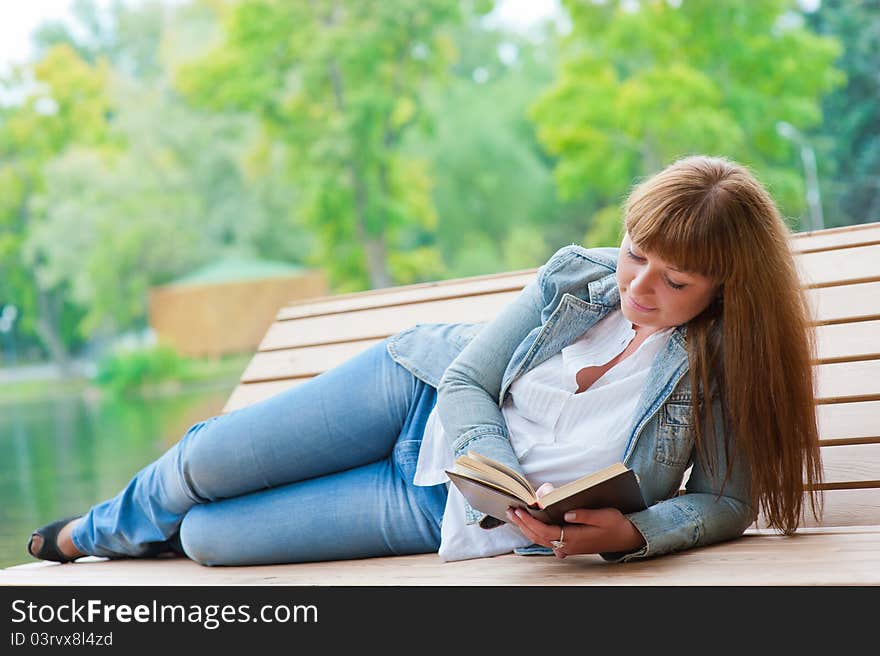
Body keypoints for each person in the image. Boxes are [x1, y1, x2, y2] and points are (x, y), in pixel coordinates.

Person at [27, 155, 823, 566]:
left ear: (726, 289)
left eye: (674, 279)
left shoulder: (723, 369)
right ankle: (92, 535)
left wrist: (630, 534)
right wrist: (502, 466)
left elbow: (726, 500)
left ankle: (156, 534)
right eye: (633, 255)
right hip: (408, 396)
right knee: (200, 461)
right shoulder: (575, 275)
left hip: (435, 508)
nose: (638, 286)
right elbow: (470, 377)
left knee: (205, 540)